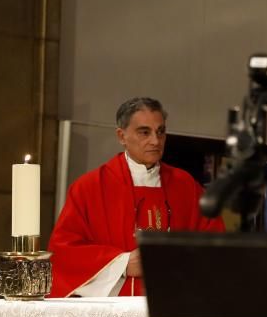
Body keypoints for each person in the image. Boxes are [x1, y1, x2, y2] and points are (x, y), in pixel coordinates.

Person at [49, 97, 225, 297]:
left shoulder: (186, 186)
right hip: (113, 313)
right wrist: (122, 264)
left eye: (160, 132)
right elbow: (65, 253)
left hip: (174, 303)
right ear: (121, 136)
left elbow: (215, 245)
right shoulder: (90, 187)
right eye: (144, 132)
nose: (155, 141)